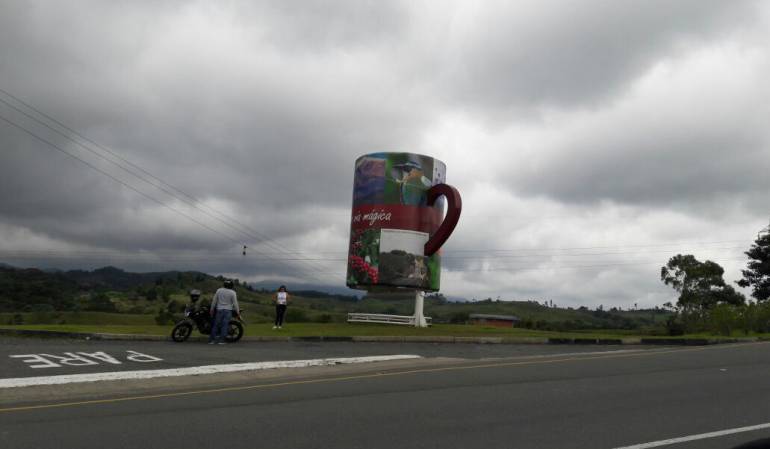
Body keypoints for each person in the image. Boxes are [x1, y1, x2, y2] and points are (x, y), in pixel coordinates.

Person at [209, 279, 239, 344]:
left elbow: (214, 301)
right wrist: (238, 312)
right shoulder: (233, 292)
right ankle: (221, 341)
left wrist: (211, 309)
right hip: (228, 311)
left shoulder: (219, 290)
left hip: (219, 310)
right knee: (224, 325)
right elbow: (235, 303)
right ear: (231, 285)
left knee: (216, 325)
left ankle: (212, 340)